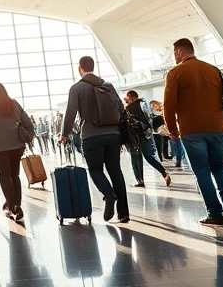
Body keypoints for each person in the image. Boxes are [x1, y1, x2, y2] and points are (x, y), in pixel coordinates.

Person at [163, 38, 223, 228]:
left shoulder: (175, 73)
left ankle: (214, 213)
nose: (174, 56)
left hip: (191, 130)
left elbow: (169, 104)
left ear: (180, 51)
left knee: (202, 171)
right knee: (219, 166)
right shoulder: (212, 70)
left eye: (174, 53)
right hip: (217, 127)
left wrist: (172, 128)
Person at [60, 56, 129, 223]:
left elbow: (70, 112)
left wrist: (64, 133)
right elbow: (120, 109)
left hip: (91, 135)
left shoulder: (77, 88)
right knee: (115, 171)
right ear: (93, 66)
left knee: (95, 170)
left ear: (80, 68)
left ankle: (108, 194)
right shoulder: (108, 86)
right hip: (113, 134)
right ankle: (124, 213)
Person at [0, 82, 34, 222]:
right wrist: (27, 136)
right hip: (16, 145)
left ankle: (11, 205)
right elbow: (28, 123)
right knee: (15, 175)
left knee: (4, 176)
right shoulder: (14, 104)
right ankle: (17, 206)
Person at [124, 91, 171, 188]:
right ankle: (164, 173)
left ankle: (139, 180)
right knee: (148, 156)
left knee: (135, 158)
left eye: (127, 98)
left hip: (135, 136)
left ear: (131, 98)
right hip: (147, 134)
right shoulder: (144, 104)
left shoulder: (130, 108)